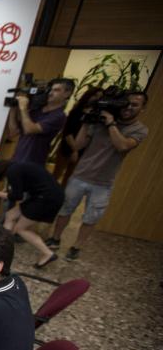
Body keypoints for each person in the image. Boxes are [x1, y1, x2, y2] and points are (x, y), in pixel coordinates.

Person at [46, 91, 148, 261]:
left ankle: (77, 247)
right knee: (65, 209)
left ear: (142, 108)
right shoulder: (100, 122)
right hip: (80, 175)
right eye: (127, 103)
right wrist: (87, 122)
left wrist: (111, 124)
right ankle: (55, 238)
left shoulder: (139, 129)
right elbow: (78, 145)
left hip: (103, 182)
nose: (128, 107)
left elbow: (122, 146)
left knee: (91, 217)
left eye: (135, 105)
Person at [0, 158, 64, 268]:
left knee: (21, 229)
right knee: (10, 215)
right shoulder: (16, 166)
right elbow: (19, 189)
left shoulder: (13, 171)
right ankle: (1, 247)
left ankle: (48, 253)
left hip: (46, 199)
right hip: (45, 195)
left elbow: (17, 196)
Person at [7, 78, 73, 166]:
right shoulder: (36, 110)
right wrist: (13, 108)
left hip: (33, 163)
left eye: (56, 90)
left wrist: (23, 108)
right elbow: (14, 132)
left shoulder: (59, 116)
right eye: (51, 89)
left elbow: (30, 130)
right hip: (17, 158)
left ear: (67, 94)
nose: (50, 93)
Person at [53, 87, 103, 187]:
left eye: (99, 97)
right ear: (88, 96)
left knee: (69, 178)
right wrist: (74, 150)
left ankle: (60, 198)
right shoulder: (77, 111)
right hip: (66, 147)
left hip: (82, 152)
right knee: (56, 175)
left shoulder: (97, 115)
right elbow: (67, 131)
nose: (96, 99)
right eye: (94, 95)